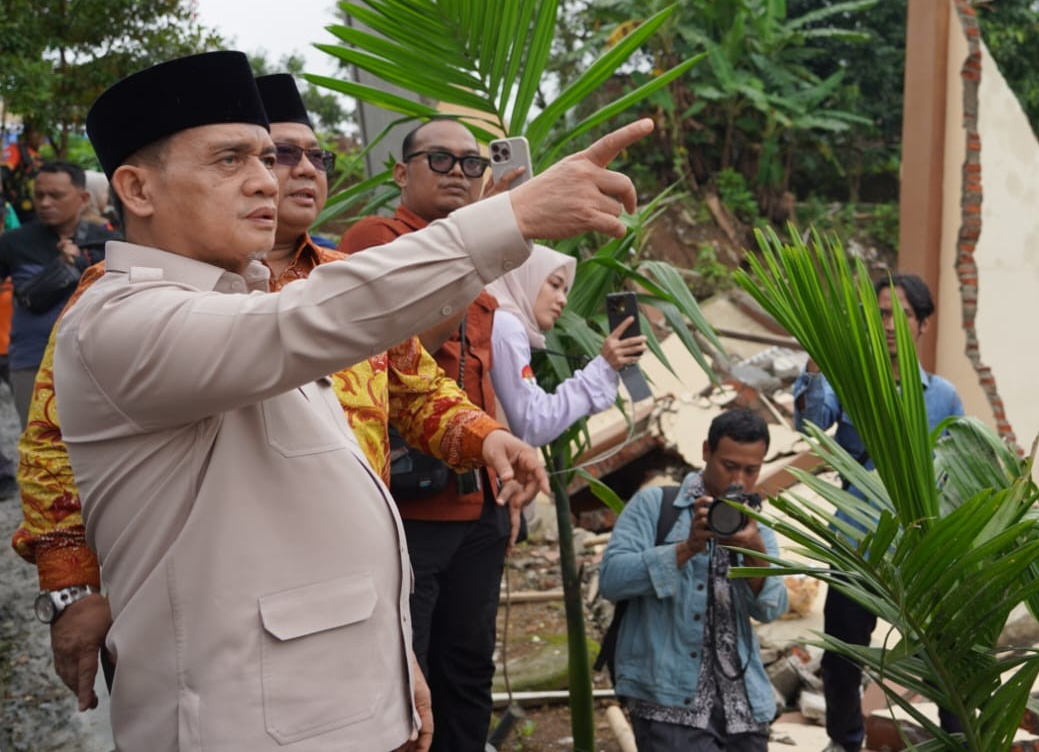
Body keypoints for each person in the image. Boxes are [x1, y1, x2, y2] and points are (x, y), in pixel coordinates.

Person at [49, 50, 649, 750]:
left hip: (336, 693)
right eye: (231, 159)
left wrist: (387, 665)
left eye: (274, 156)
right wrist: (510, 217)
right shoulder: (119, 320)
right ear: (136, 189)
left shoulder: (298, 296)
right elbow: (301, 324)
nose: (268, 179)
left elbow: (398, 391)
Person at [339, 117, 535, 751]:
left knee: (469, 666)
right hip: (412, 505)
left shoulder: (475, 251)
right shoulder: (377, 239)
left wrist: (503, 461)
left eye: (472, 164)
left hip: (478, 498)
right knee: (407, 670)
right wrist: (473, 249)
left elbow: (480, 374)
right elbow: (399, 354)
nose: (460, 173)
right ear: (402, 173)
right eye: (441, 160)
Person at [792, 273, 965, 752]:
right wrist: (816, 359)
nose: (888, 324)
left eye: (901, 315)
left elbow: (962, 468)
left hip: (924, 549)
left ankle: (957, 740)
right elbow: (811, 425)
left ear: (923, 324)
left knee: (943, 656)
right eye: (881, 313)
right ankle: (845, 741)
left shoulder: (944, 396)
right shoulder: (847, 385)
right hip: (859, 543)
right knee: (843, 656)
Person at [598, 408, 787, 752]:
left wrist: (755, 550)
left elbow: (771, 608)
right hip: (668, 703)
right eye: (729, 466)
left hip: (743, 707)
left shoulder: (756, 525)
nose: (739, 481)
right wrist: (686, 548)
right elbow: (611, 579)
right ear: (706, 451)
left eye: (751, 470)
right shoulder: (655, 505)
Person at [486, 245, 647, 447]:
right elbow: (533, 425)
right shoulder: (507, 327)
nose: (563, 300)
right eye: (555, 284)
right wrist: (603, 367)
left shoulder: (499, 322)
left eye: (565, 291)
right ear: (525, 277)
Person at [0, 162, 114, 429]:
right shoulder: (14, 243)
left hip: (97, 361)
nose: (45, 203)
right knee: (40, 441)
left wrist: (80, 264)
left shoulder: (109, 242)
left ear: (83, 198)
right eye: (39, 195)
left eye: (56, 195)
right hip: (32, 361)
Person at [2, 122, 46, 224]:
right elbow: (3, 172)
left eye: (42, 134)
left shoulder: (38, 156)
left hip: (36, 206)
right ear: (28, 135)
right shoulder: (16, 150)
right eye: (36, 134)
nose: (40, 138)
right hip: (19, 205)